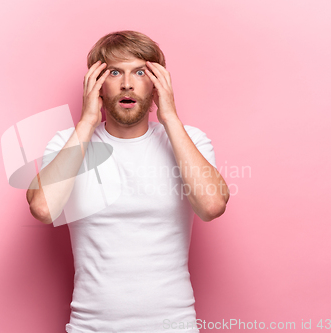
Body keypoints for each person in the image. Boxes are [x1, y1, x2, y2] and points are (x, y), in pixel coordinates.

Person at [26, 30, 230, 333]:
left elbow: (212, 206)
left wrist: (170, 116)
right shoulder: (68, 144)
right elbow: (43, 209)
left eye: (140, 71)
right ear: (96, 85)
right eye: (113, 72)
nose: (126, 83)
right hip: (90, 327)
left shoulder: (191, 141)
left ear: (157, 82)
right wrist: (85, 123)